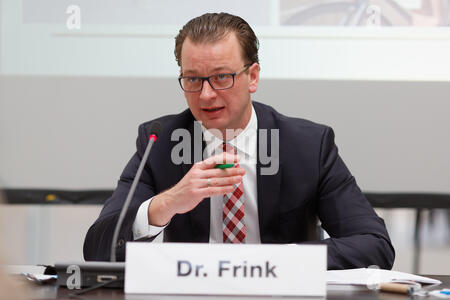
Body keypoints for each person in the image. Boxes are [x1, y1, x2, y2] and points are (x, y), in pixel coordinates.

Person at [83, 12, 395, 270]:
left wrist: (270, 263)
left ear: (253, 76)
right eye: (192, 79)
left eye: (221, 77)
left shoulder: (309, 146)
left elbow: (373, 244)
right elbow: (99, 250)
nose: (206, 95)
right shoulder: (160, 143)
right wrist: (167, 203)